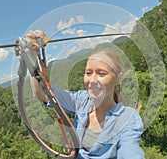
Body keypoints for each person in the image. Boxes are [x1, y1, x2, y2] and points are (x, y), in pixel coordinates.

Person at [28, 30, 145, 159]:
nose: (93, 80)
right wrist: (32, 56)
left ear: (118, 78)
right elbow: (42, 94)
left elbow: (130, 151)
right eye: (88, 73)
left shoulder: (127, 118)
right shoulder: (82, 100)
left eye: (101, 74)